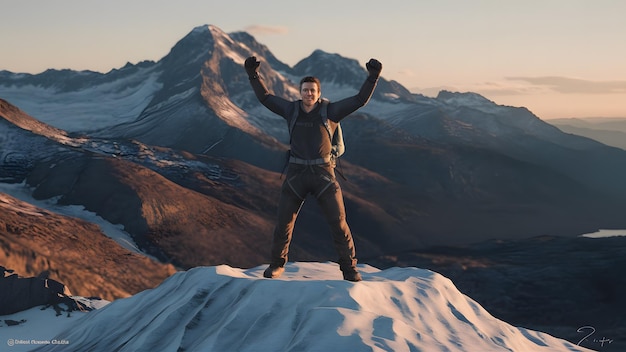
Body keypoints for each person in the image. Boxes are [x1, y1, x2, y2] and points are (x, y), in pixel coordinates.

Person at [244, 55, 382, 281]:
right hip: (297, 175)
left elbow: (359, 100)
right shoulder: (291, 110)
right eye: (305, 90)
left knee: (339, 224)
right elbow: (266, 98)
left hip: (323, 175)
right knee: (283, 224)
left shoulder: (332, 111)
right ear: (300, 92)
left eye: (312, 90)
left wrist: (373, 78)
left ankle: (349, 269)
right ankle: (277, 265)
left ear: (319, 93)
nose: (308, 93)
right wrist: (253, 75)